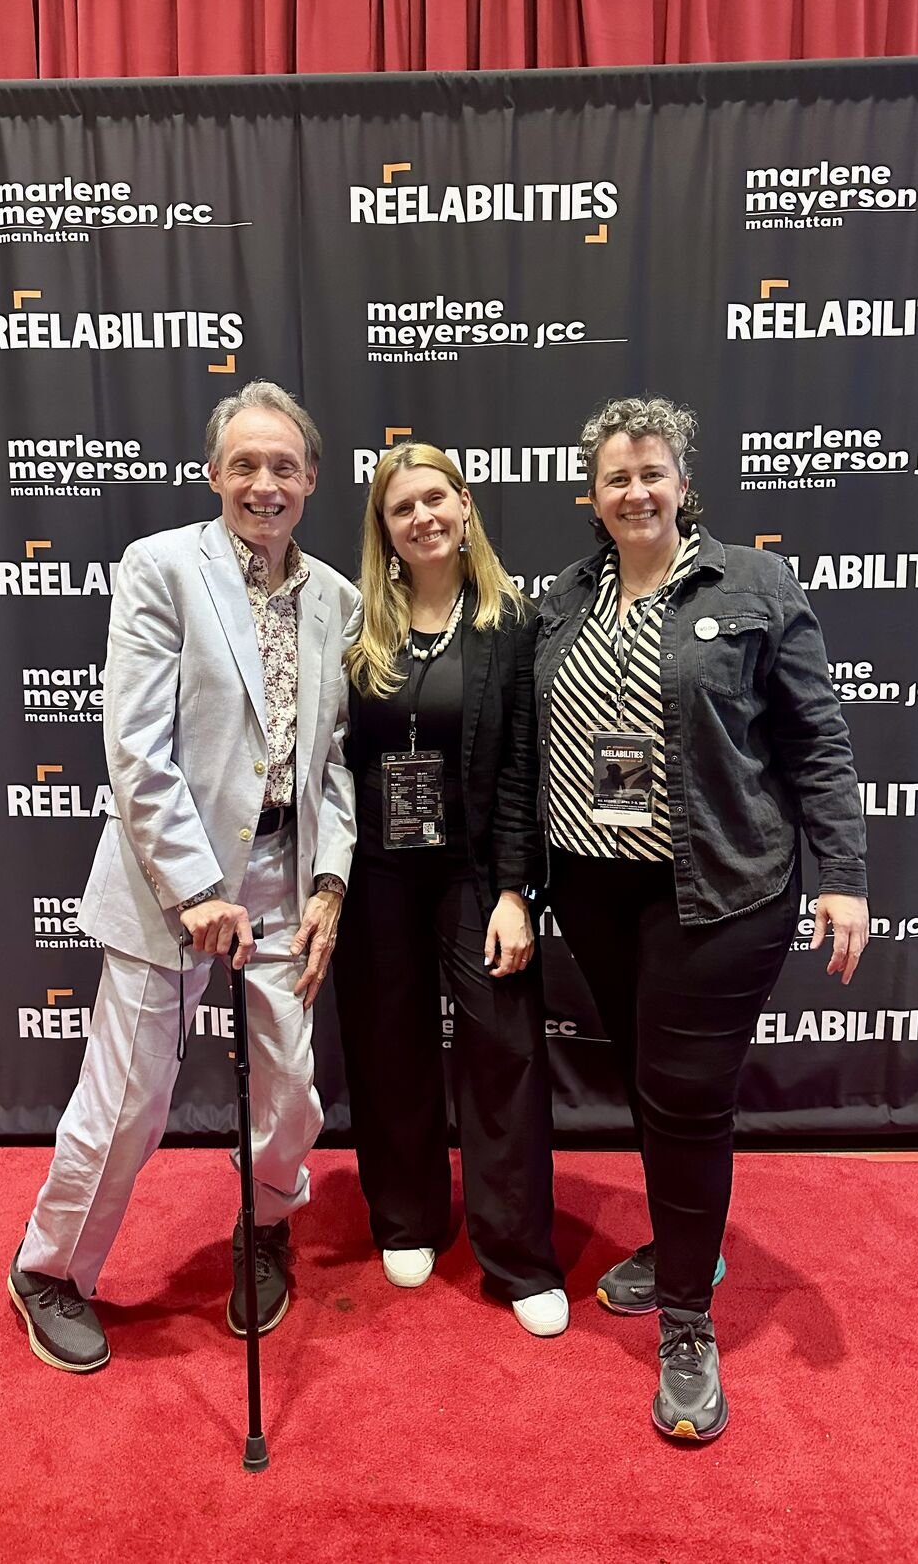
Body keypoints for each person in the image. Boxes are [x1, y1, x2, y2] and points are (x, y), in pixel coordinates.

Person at [8, 380, 361, 1371]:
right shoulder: (159, 567)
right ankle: (50, 1268)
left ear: (311, 480)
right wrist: (197, 888)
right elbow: (137, 747)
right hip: (175, 886)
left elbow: (333, 759)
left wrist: (329, 882)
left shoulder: (337, 598)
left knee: (290, 1087)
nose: (263, 482)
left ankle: (265, 1225)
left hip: (287, 875)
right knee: (129, 1098)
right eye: (244, 464)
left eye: (282, 466)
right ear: (213, 473)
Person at [535, 396, 869, 1437]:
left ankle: (686, 1320)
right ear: (589, 499)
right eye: (615, 477)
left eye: (651, 472)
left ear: (683, 483)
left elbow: (815, 739)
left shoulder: (753, 584)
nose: (634, 491)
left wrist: (842, 873)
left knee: (683, 1096)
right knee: (648, 1083)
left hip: (720, 892)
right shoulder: (558, 603)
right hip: (593, 888)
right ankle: (692, 1237)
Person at [332, 442, 567, 1338]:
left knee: (504, 1052)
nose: (423, 516)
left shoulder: (515, 624)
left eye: (436, 498)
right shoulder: (361, 628)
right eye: (403, 508)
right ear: (385, 531)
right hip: (381, 872)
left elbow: (522, 770)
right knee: (387, 1043)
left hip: (475, 874)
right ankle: (407, 1216)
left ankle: (519, 1252)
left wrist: (516, 890)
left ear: (465, 507)